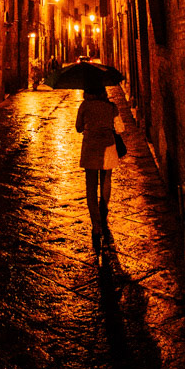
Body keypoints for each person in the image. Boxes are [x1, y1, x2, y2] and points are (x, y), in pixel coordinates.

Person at [75, 83, 125, 255]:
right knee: (106, 181)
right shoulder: (111, 107)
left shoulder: (84, 106)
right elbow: (120, 128)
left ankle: (96, 224)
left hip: (90, 148)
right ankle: (103, 213)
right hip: (108, 146)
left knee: (90, 187)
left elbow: (78, 127)